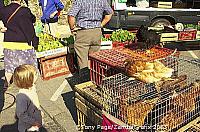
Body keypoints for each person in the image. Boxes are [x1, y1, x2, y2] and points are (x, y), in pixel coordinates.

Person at [0, 0, 39, 91]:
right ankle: (30, 84)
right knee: (29, 67)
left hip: (9, 43)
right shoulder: (24, 10)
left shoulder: (3, 10)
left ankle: (6, 82)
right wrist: (35, 42)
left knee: (9, 66)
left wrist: (1, 28)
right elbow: (33, 20)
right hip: (23, 44)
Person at [68, 0, 113, 71]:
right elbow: (110, 13)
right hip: (97, 32)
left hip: (83, 32)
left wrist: (72, 28)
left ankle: (85, 78)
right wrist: (101, 25)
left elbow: (71, 16)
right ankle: (95, 75)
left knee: (82, 58)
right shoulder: (102, 1)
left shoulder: (80, 1)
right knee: (94, 57)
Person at [14, 64, 42, 132]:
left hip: (35, 120)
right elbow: (21, 114)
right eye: (35, 74)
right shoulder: (22, 96)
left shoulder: (32, 87)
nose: (37, 75)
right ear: (28, 79)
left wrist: (39, 111)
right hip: (28, 126)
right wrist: (34, 122)